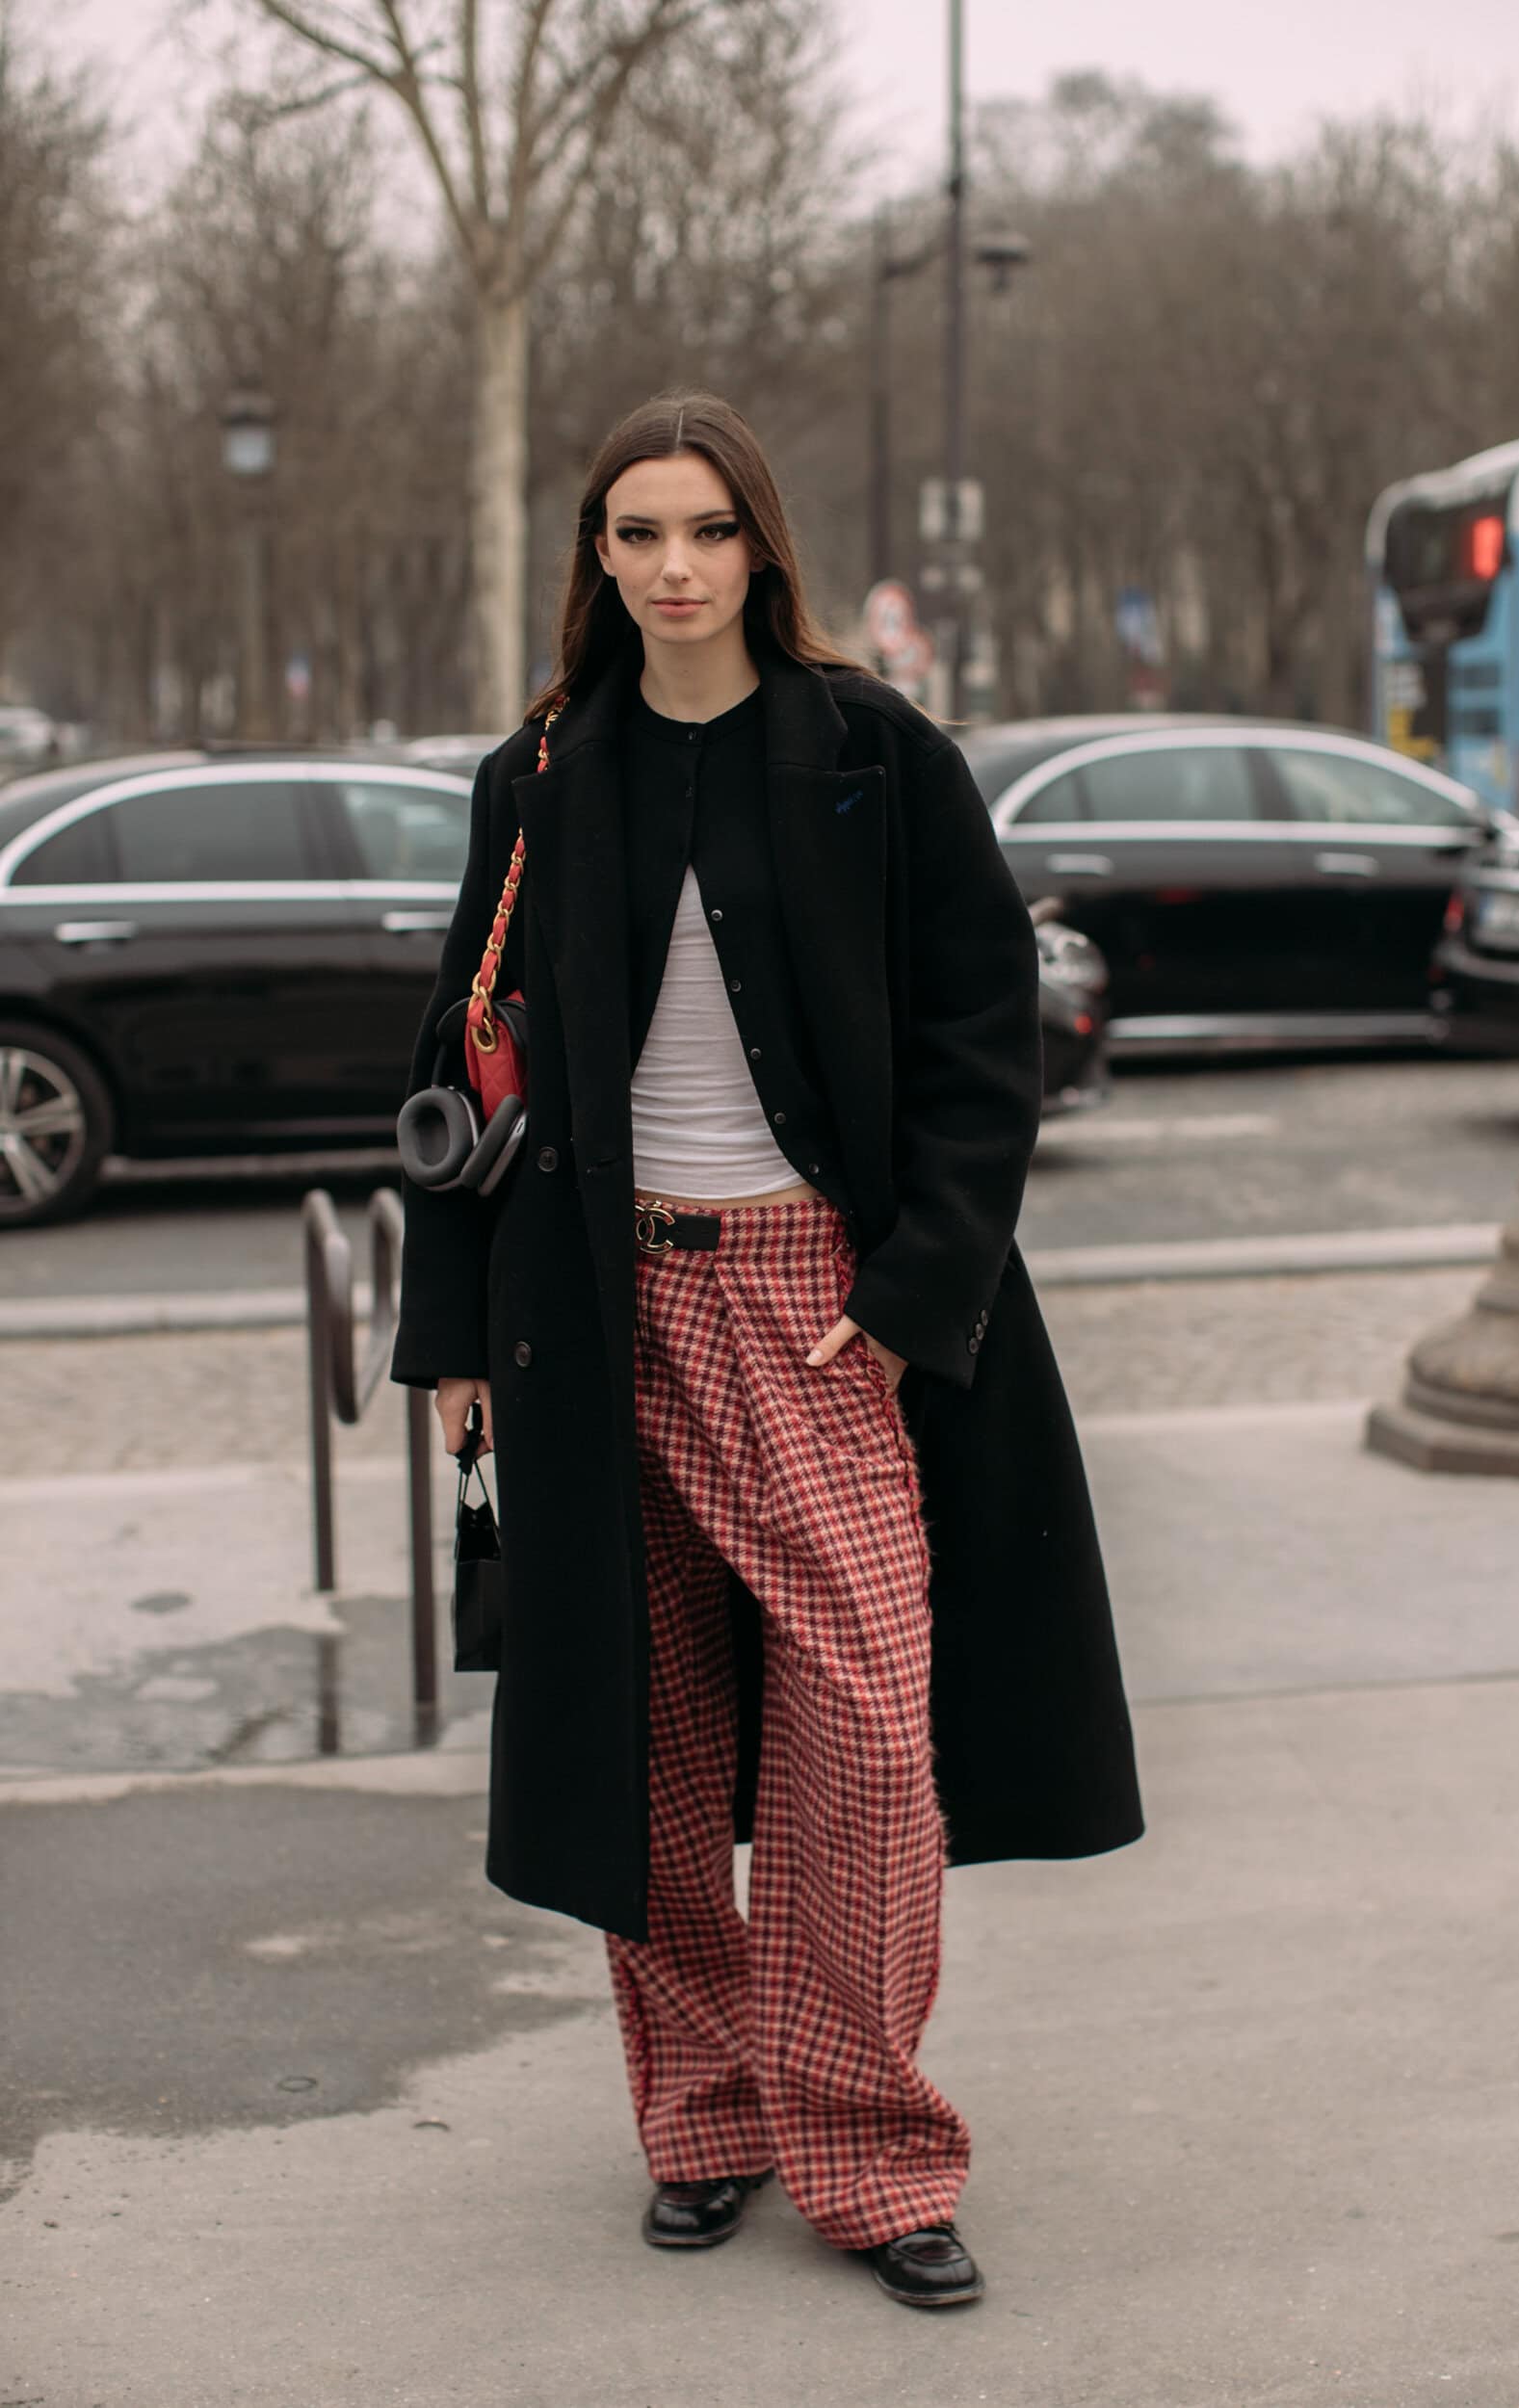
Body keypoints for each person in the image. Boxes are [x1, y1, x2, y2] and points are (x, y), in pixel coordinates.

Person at [391, 390, 1142, 2310]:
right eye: (632, 533)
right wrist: (455, 1327)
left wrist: (906, 1299)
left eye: (702, 528)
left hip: (816, 1309)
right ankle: (710, 2114)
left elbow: (990, 1043)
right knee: (641, 1745)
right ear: (598, 560)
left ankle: (873, 2143)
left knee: (869, 1729)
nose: (667, 566)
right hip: (594, 1307)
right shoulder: (543, 772)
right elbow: (461, 1065)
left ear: (761, 547)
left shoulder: (877, 756)